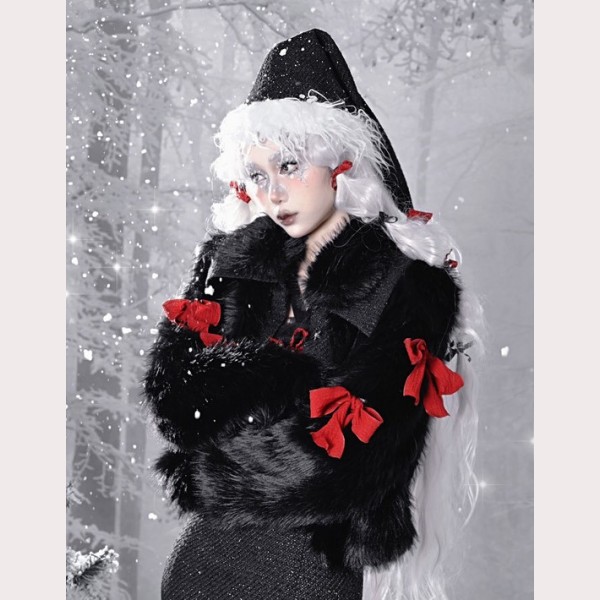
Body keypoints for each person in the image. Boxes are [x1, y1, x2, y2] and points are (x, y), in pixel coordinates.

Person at [143, 29, 481, 600]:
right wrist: (285, 383)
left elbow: (359, 463)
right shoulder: (232, 262)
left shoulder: (409, 283)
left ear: (340, 164)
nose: (272, 193)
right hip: (205, 557)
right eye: (257, 175)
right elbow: (175, 401)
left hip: (314, 565)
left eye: (289, 165)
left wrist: (219, 455)